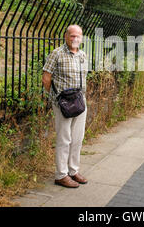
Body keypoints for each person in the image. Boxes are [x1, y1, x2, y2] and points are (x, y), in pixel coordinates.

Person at [42, 25, 89, 188]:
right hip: (63, 103)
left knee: (77, 139)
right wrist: (56, 98)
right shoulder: (57, 53)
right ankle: (61, 175)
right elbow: (46, 77)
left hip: (80, 101)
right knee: (64, 139)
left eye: (78, 36)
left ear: (81, 38)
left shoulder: (83, 55)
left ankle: (73, 171)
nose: (75, 38)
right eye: (72, 36)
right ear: (66, 36)